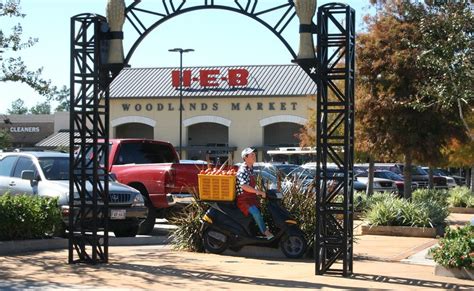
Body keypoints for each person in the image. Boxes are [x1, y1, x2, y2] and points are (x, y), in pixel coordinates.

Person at [235, 147, 274, 239]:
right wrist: (258, 192)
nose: (254, 156)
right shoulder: (243, 170)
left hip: (251, 198)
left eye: (254, 154)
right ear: (245, 157)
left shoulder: (250, 169)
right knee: (255, 212)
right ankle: (265, 232)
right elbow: (243, 185)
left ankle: (256, 231)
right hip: (243, 200)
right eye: (251, 155)